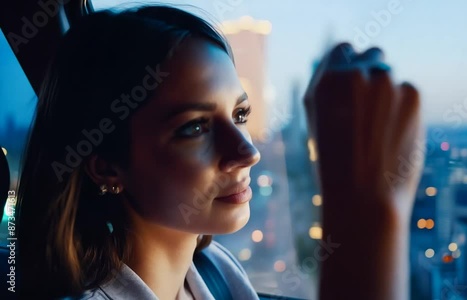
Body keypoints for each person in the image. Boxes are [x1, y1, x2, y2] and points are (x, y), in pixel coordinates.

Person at [16, 4, 423, 300]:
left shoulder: (215, 273)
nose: (247, 152)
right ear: (106, 167)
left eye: (240, 114)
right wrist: (366, 211)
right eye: (194, 127)